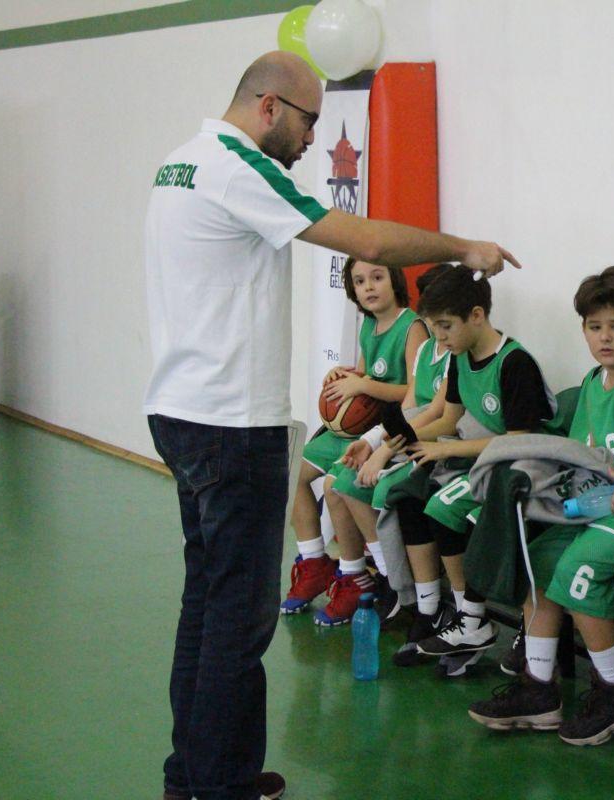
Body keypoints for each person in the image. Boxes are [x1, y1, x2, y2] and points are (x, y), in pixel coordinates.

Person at [144, 50, 517, 800]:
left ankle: (195, 775)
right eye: (309, 120)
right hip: (230, 427)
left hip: (180, 411)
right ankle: (220, 784)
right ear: (269, 107)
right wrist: (461, 248)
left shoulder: (180, 163)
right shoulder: (237, 165)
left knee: (206, 604)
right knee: (239, 618)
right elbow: (366, 241)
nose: (315, 138)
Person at [466, 267, 614, 746]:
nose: (605, 337)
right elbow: (584, 455)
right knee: (537, 561)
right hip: (600, 506)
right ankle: (539, 687)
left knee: (578, 570)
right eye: (594, 327)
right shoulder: (593, 380)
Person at [386, 265, 555, 671]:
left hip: (530, 467)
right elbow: (449, 419)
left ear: (476, 316)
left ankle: (473, 618)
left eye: (445, 327)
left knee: (444, 507)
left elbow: (518, 441)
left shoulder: (515, 362)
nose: (440, 338)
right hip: (490, 460)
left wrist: (445, 449)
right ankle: (457, 614)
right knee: (411, 491)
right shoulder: (460, 359)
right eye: (434, 329)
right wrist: (403, 440)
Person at [280, 260, 426, 625]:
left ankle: (355, 574)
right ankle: (313, 560)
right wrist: (346, 374)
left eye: (377, 277)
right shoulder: (369, 325)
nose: (369, 287)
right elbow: (365, 373)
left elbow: (416, 391)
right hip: (357, 429)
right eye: (360, 281)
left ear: (395, 280)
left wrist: (363, 384)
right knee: (292, 471)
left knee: (335, 488)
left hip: (387, 430)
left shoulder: (412, 327)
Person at [330, 262, 456, 621]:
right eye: (432, 317)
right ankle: (392, 580)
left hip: (445, 449)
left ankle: (413, 594)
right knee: (347, 480)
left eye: (445, 320)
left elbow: (441, 417)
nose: (437, 327)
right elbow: (411, 408)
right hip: (415, 439)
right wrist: (372, 441)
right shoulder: (428, 350)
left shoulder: (457, 356)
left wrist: (384, 449)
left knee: (388, 490)